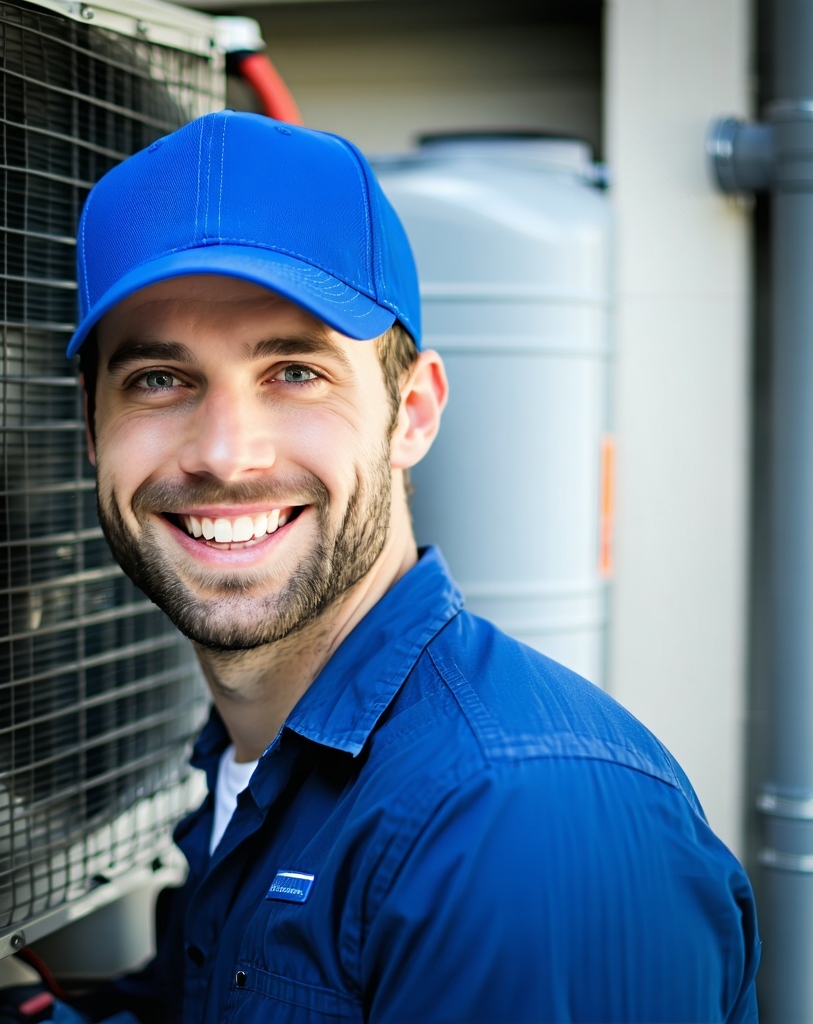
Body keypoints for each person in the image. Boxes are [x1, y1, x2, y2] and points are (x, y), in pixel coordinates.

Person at [68, 110, 760, 1023]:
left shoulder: (515, 827)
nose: (224, 455)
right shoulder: (255, 762)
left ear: (414, 412)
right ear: (91, 429)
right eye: (160, 379)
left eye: (294, 373)